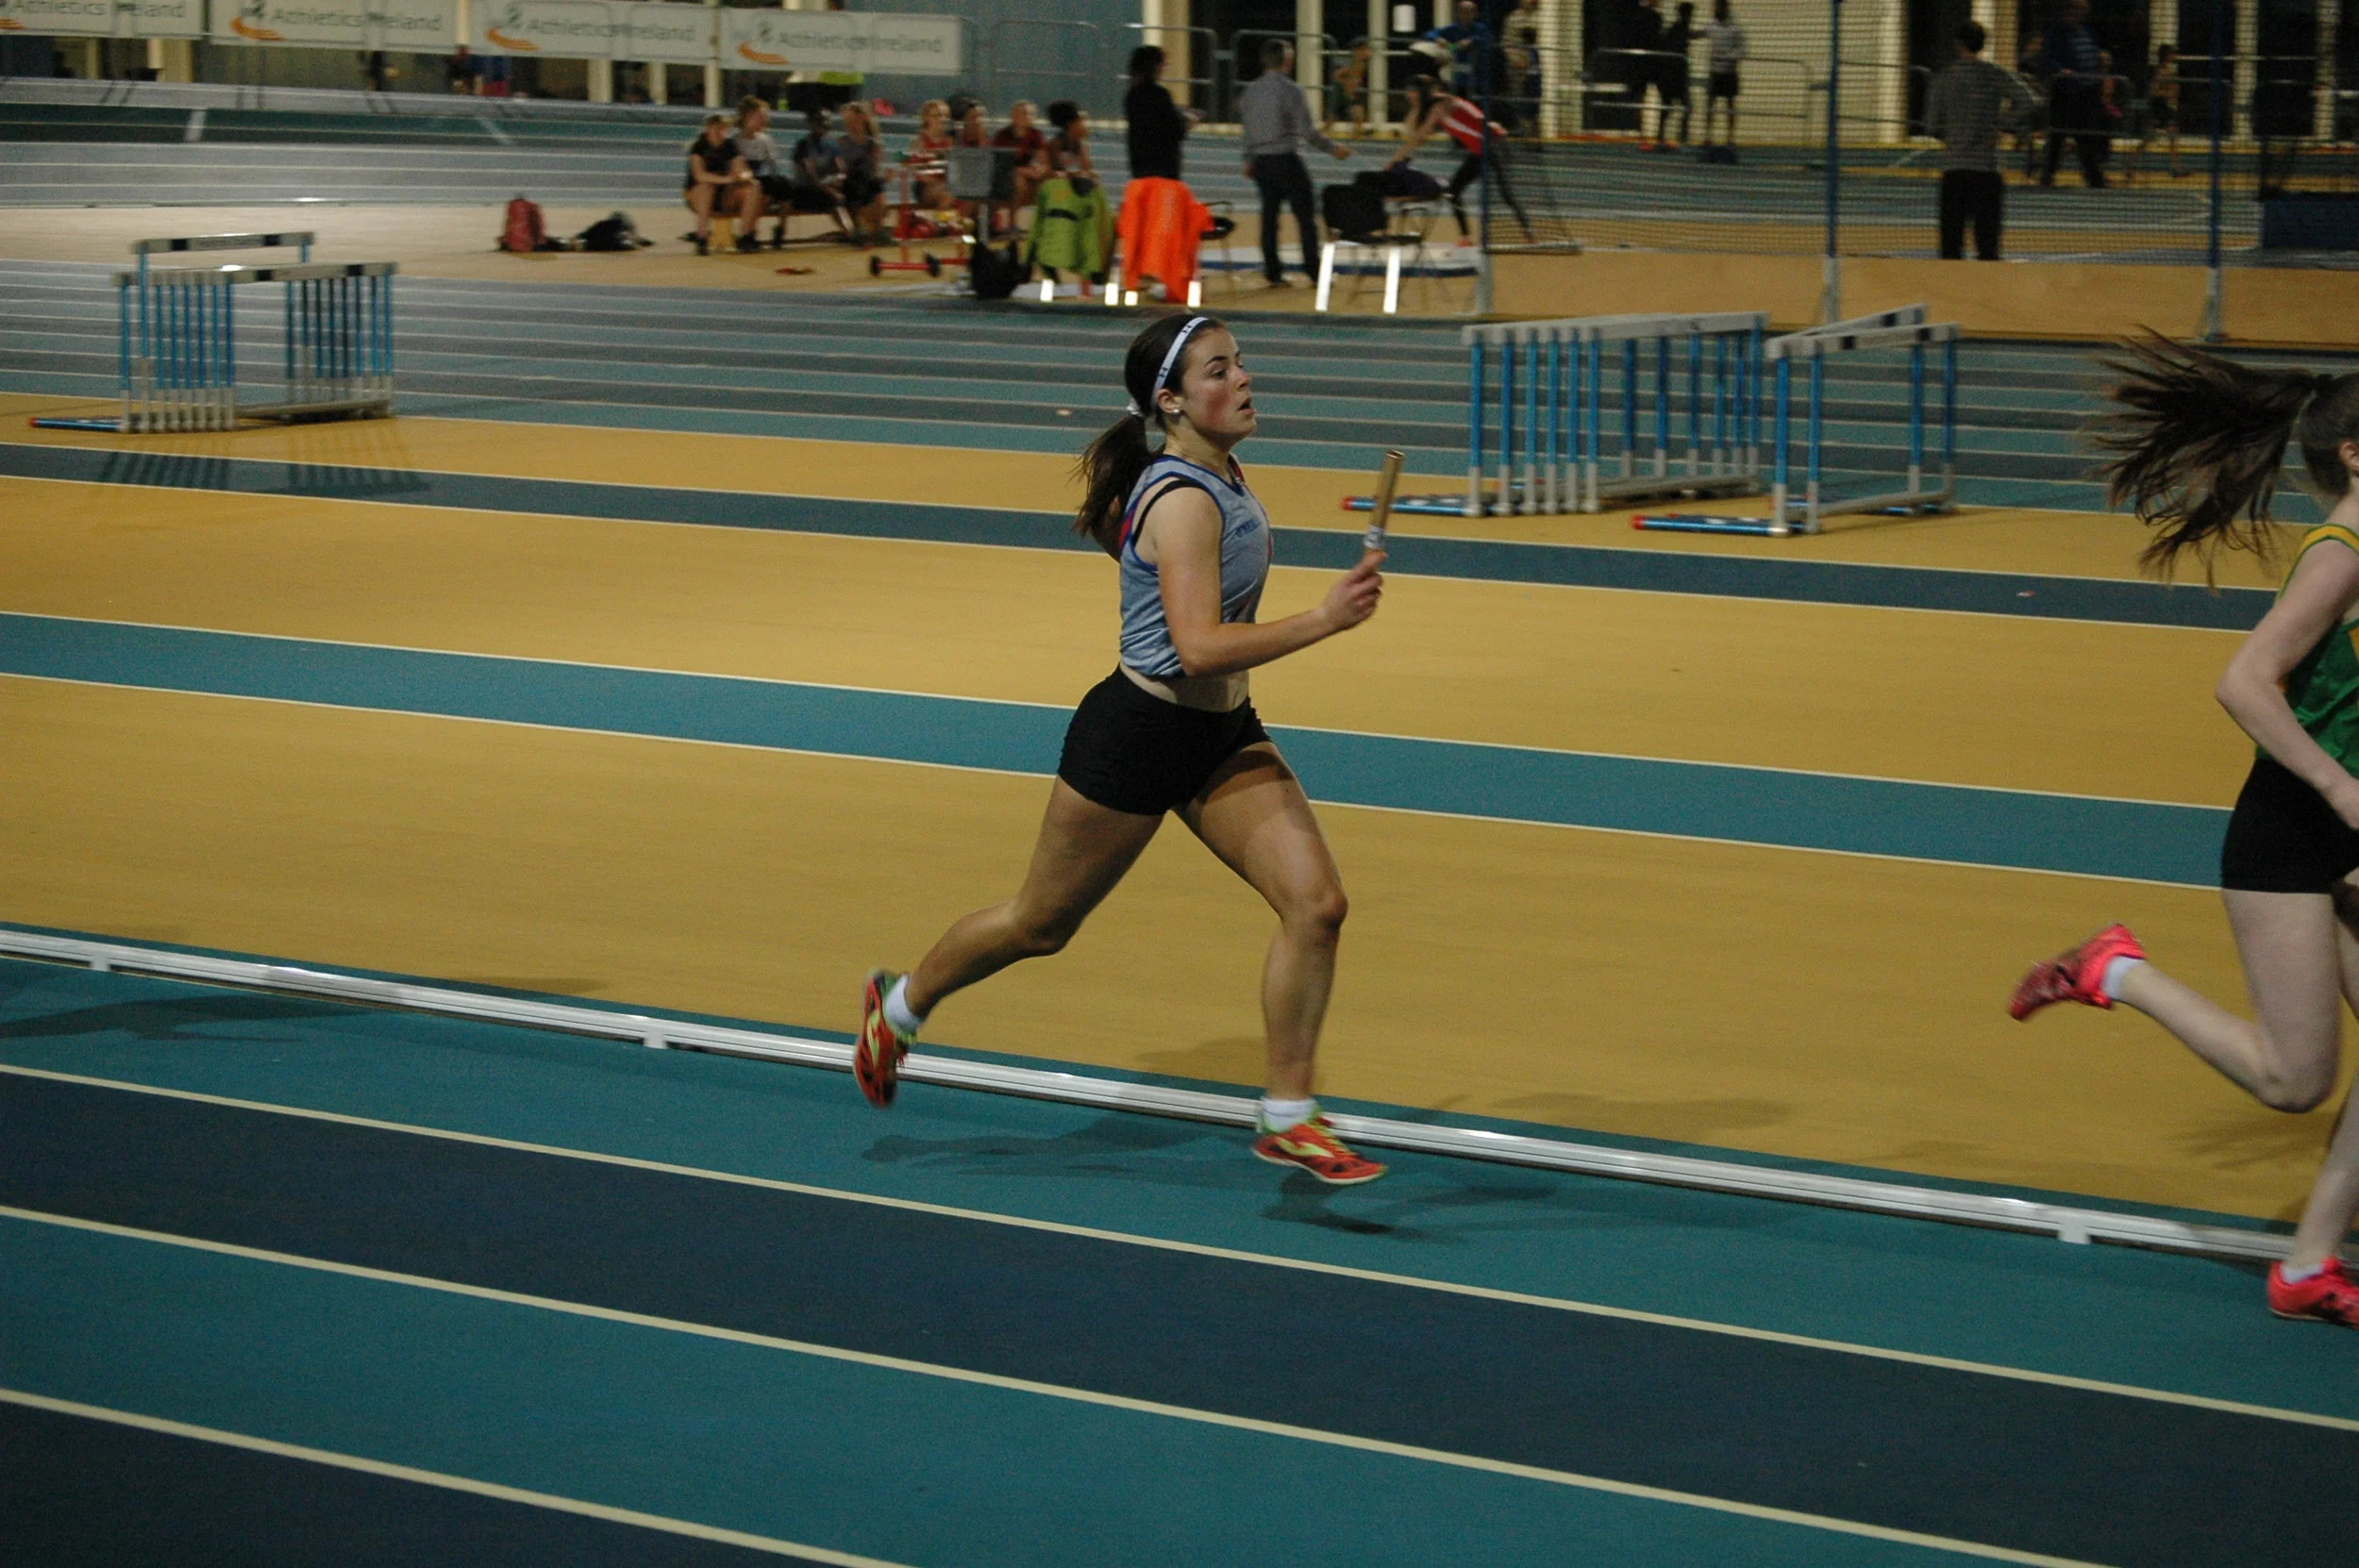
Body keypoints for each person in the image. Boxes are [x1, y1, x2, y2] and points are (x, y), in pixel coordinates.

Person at [856, 314, 1390, 1187]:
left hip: (1219, 733)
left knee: (1317, 905)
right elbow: (1197, 649)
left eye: (1241, 363)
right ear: (1170, 402)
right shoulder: (1183, 500)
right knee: (1039, 925)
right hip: (1137, 737)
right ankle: (901, 1004)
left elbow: (1135, 547)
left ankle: (1289, 1116)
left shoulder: (1210, 475)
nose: (1244, 379)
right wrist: (1325, 619)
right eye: (1219, 370)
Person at [2012, 341, 2359, 1326]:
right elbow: (2243, 683)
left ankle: (2309, 1265)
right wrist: (2338, 787)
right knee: (2294, 1083)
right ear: (2355, 456)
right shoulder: (2340, 556)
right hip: (2292, 837)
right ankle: (2116, 970)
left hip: (2346, 833)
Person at [1239, 38, 1351, 289]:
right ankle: (1314, 272)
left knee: (1269, 217)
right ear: (1288, 61)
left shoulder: (1250, 91)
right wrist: (1333, 148)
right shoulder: (1291, 90)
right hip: (1287, 159)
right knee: (1305, 218)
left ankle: (1273, 273)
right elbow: (1307, 131)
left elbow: (1247, 131)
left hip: (1261, 162)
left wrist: (1248, 159)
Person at [1925, 21, 2029, 260]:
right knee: (1988, 249)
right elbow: (2028, 101)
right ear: (1983, 44)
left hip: (1955, 169)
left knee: (1951, 249)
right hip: (1987, 170)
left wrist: (1951, 133)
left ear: (1958, 44)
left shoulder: (1944, 78)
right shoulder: (1995, 74)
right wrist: (2001, 124)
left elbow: (1931, 125)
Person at [1394, 72, 1531, 242]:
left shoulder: (1441, 106)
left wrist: (1395, 160)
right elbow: (1414, 133)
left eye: (1413, 92)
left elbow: (1417, 138)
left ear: (1422, 92)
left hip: (1493, 146)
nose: (1409, 95)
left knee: (1505, 194)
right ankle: (1466, 238)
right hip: (1479, 152)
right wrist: (1415, 107)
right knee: (1454, 191)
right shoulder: (1436, 108)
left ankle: (1527, 230)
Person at [2040, 0, 2110, 188]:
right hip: (2066, 93)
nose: (2083, 13)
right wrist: (2061, 70)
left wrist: (2099, 59)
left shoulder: (2087, 31)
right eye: (2080, 9)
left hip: (2086, 92)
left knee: (2084, 136)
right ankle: (2048, 175)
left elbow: (2093, 53)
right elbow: (2048, 56)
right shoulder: (2058, 32)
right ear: (2070, 9)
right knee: (2058, 136)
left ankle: (2094, 177)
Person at [682, 113, 757, 257]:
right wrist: (727, 179)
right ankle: (702, 238)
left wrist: (742, 175)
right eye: (717, 128)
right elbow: (699, 175)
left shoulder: (729, 146)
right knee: (706, 187)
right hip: (698, 195)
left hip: (724, 194)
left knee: (754, 186)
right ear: (708, 129)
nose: (720, 132)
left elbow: (743, 169)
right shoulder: (699, 147)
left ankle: (746, 237)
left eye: (724, 129)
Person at [1126, 46, 1196, 182]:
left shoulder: (1131, 95)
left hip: (1139, 166)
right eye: (1162, 64)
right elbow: (1174, 130)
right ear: (1154, 66)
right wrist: (1186, 122)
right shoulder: (1160, 95)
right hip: (1164, 167)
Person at [835, 100, 890, 244]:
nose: (849, 125)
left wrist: (885, 179)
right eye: (847, 122)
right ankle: (859, 228)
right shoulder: (841, 142)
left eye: (852, 121)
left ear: (862, 119)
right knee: (853, 184)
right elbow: (839, 169)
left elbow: (873, 171)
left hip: (865, 182)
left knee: (877, 184)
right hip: (849, 183)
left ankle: (879, 229)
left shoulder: (873, 144)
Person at [1703, 0, 1745, 149]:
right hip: (1714, 72)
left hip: (1729, 72)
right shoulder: (1711, 24)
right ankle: (1707, 136)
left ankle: (1730, 138)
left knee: (1730, 105)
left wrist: (1727, 56)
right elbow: (1699, 33)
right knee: (1710, 105)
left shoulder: (1736, 28)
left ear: (1725, 8)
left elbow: (1742, 51)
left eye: (1719, 7)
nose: (1717, 9)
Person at [903, 98, 955, 210]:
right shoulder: (919, 142)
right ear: (927, 118)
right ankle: (939, 219)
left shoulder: (949, 141)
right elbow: (917, 171)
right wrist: (939, 182)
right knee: (948, 194)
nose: (942, 119)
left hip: (945, 184)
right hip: (925, 185)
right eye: (937, 116)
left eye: (945, 116)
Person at [1657, 1, 1697, 146]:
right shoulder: (1676, 30)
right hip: (1673, 75)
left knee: (1682, 106)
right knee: (1670, 106)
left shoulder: (1681, 29)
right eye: (1689, 14)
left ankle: (1679, 135)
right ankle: (1666, 135)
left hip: (1678, 75)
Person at [1327, 38, 1373, 141]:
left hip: (1350, 95)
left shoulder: (1362, 65)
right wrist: (1346, 82)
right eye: (1365, 49)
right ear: (1358, 51)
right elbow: (1336, 76)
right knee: (1330, 122)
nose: (1368, 52)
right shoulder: (1349, 63)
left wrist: (1355, 83)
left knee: (1359, 115)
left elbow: (1357, 78)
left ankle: (1356, 139)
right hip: (1340, 94)